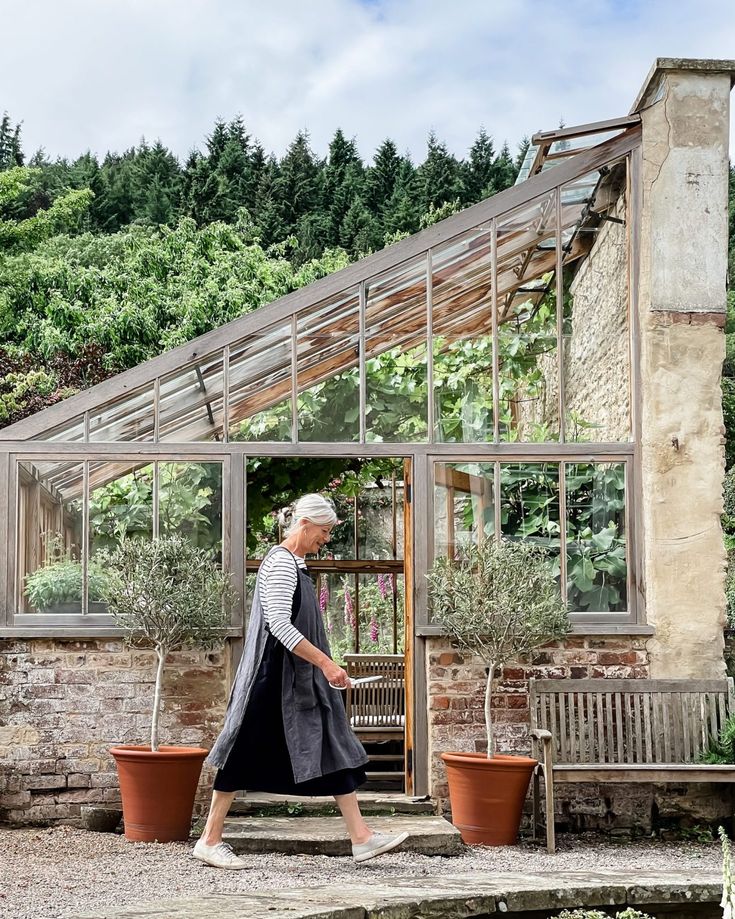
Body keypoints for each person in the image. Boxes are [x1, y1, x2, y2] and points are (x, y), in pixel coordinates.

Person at [193, 493, 409, 869]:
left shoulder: (298, 564)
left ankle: (361, 838)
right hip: (271, 679)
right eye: (323, 531)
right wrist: (327, 665)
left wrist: (323, 669)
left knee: (331, 741)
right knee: (242, 751)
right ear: (304, 523)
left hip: (298, 679)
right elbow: (277, 624)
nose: (326, 539)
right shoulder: (280, 564)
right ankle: (209, 840)